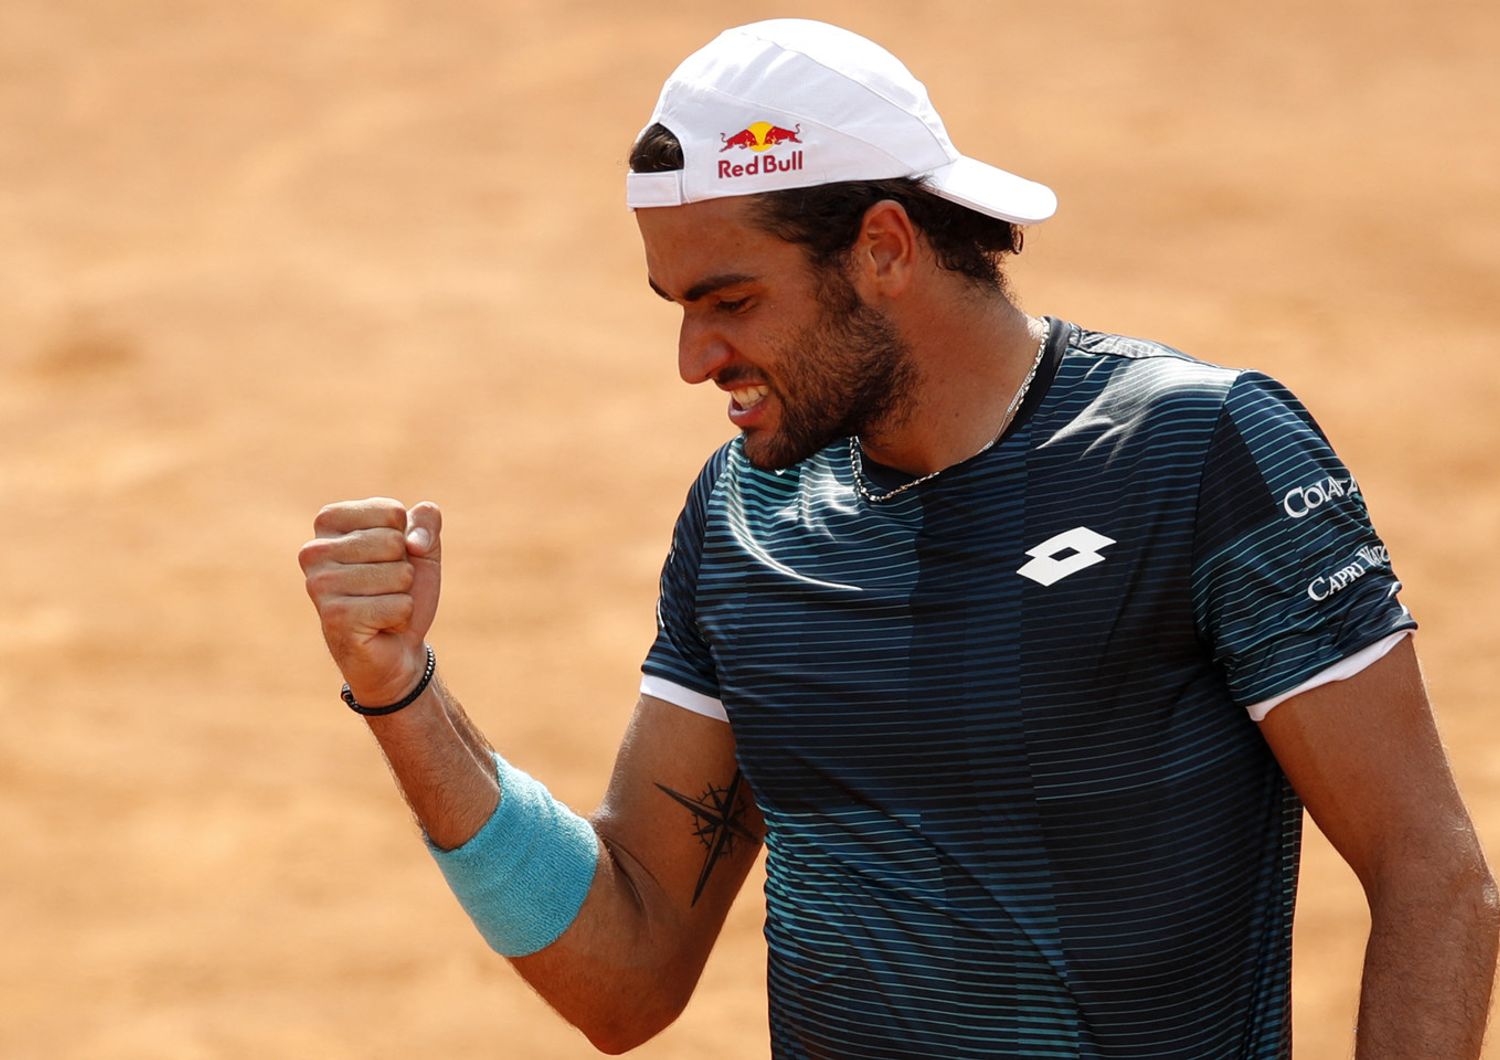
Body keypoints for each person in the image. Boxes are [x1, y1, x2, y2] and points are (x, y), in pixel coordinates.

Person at [298, 18, 1498, 1059]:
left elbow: (1430, 872)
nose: (693, 361)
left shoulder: (1198, 455)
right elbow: (626, 974)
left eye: (731, 301)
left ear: (882, 248)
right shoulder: (743, 518)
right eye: (679, 310)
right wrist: (405, 697)